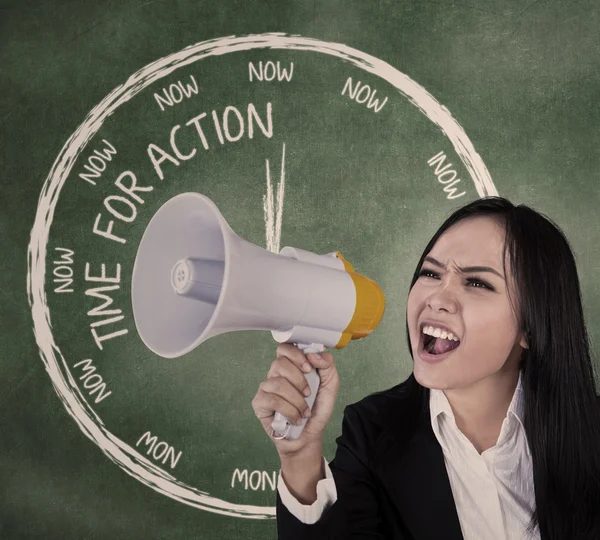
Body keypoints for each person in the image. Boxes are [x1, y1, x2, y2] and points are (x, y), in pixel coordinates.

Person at [251, 196, 600, 539]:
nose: (436, 297)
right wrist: (300, 459)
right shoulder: (372, 435)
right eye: (431, 273)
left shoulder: (590, 431)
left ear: (530, 327)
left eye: (476, 282)